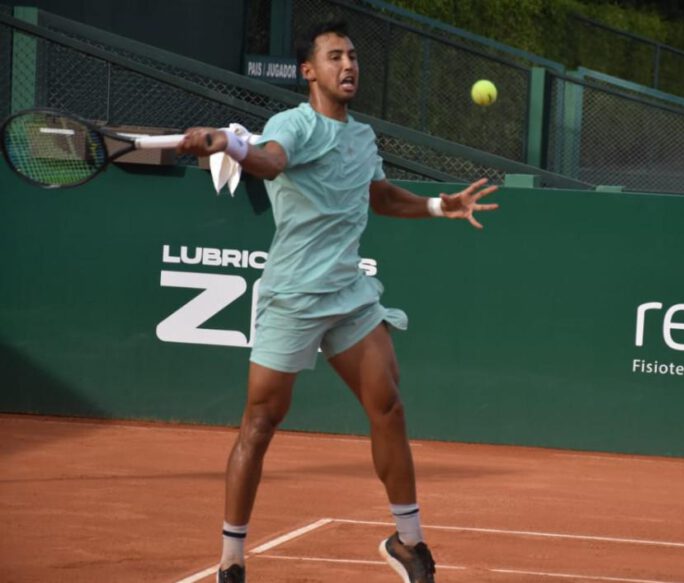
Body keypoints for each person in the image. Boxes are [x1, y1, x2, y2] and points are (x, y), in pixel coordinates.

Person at [177, 17, 498, 583]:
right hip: (294, 297)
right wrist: (231, 142)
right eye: (335, 57)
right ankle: (231, 559)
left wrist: (436, 206)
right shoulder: (292, 125)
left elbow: (379, 196)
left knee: (388, 405)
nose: (348, 65)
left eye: (352, 56)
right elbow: (271, 161)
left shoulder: (362, 136)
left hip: (349, 294)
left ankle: (408, 542)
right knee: (260, 422)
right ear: (309, 71)